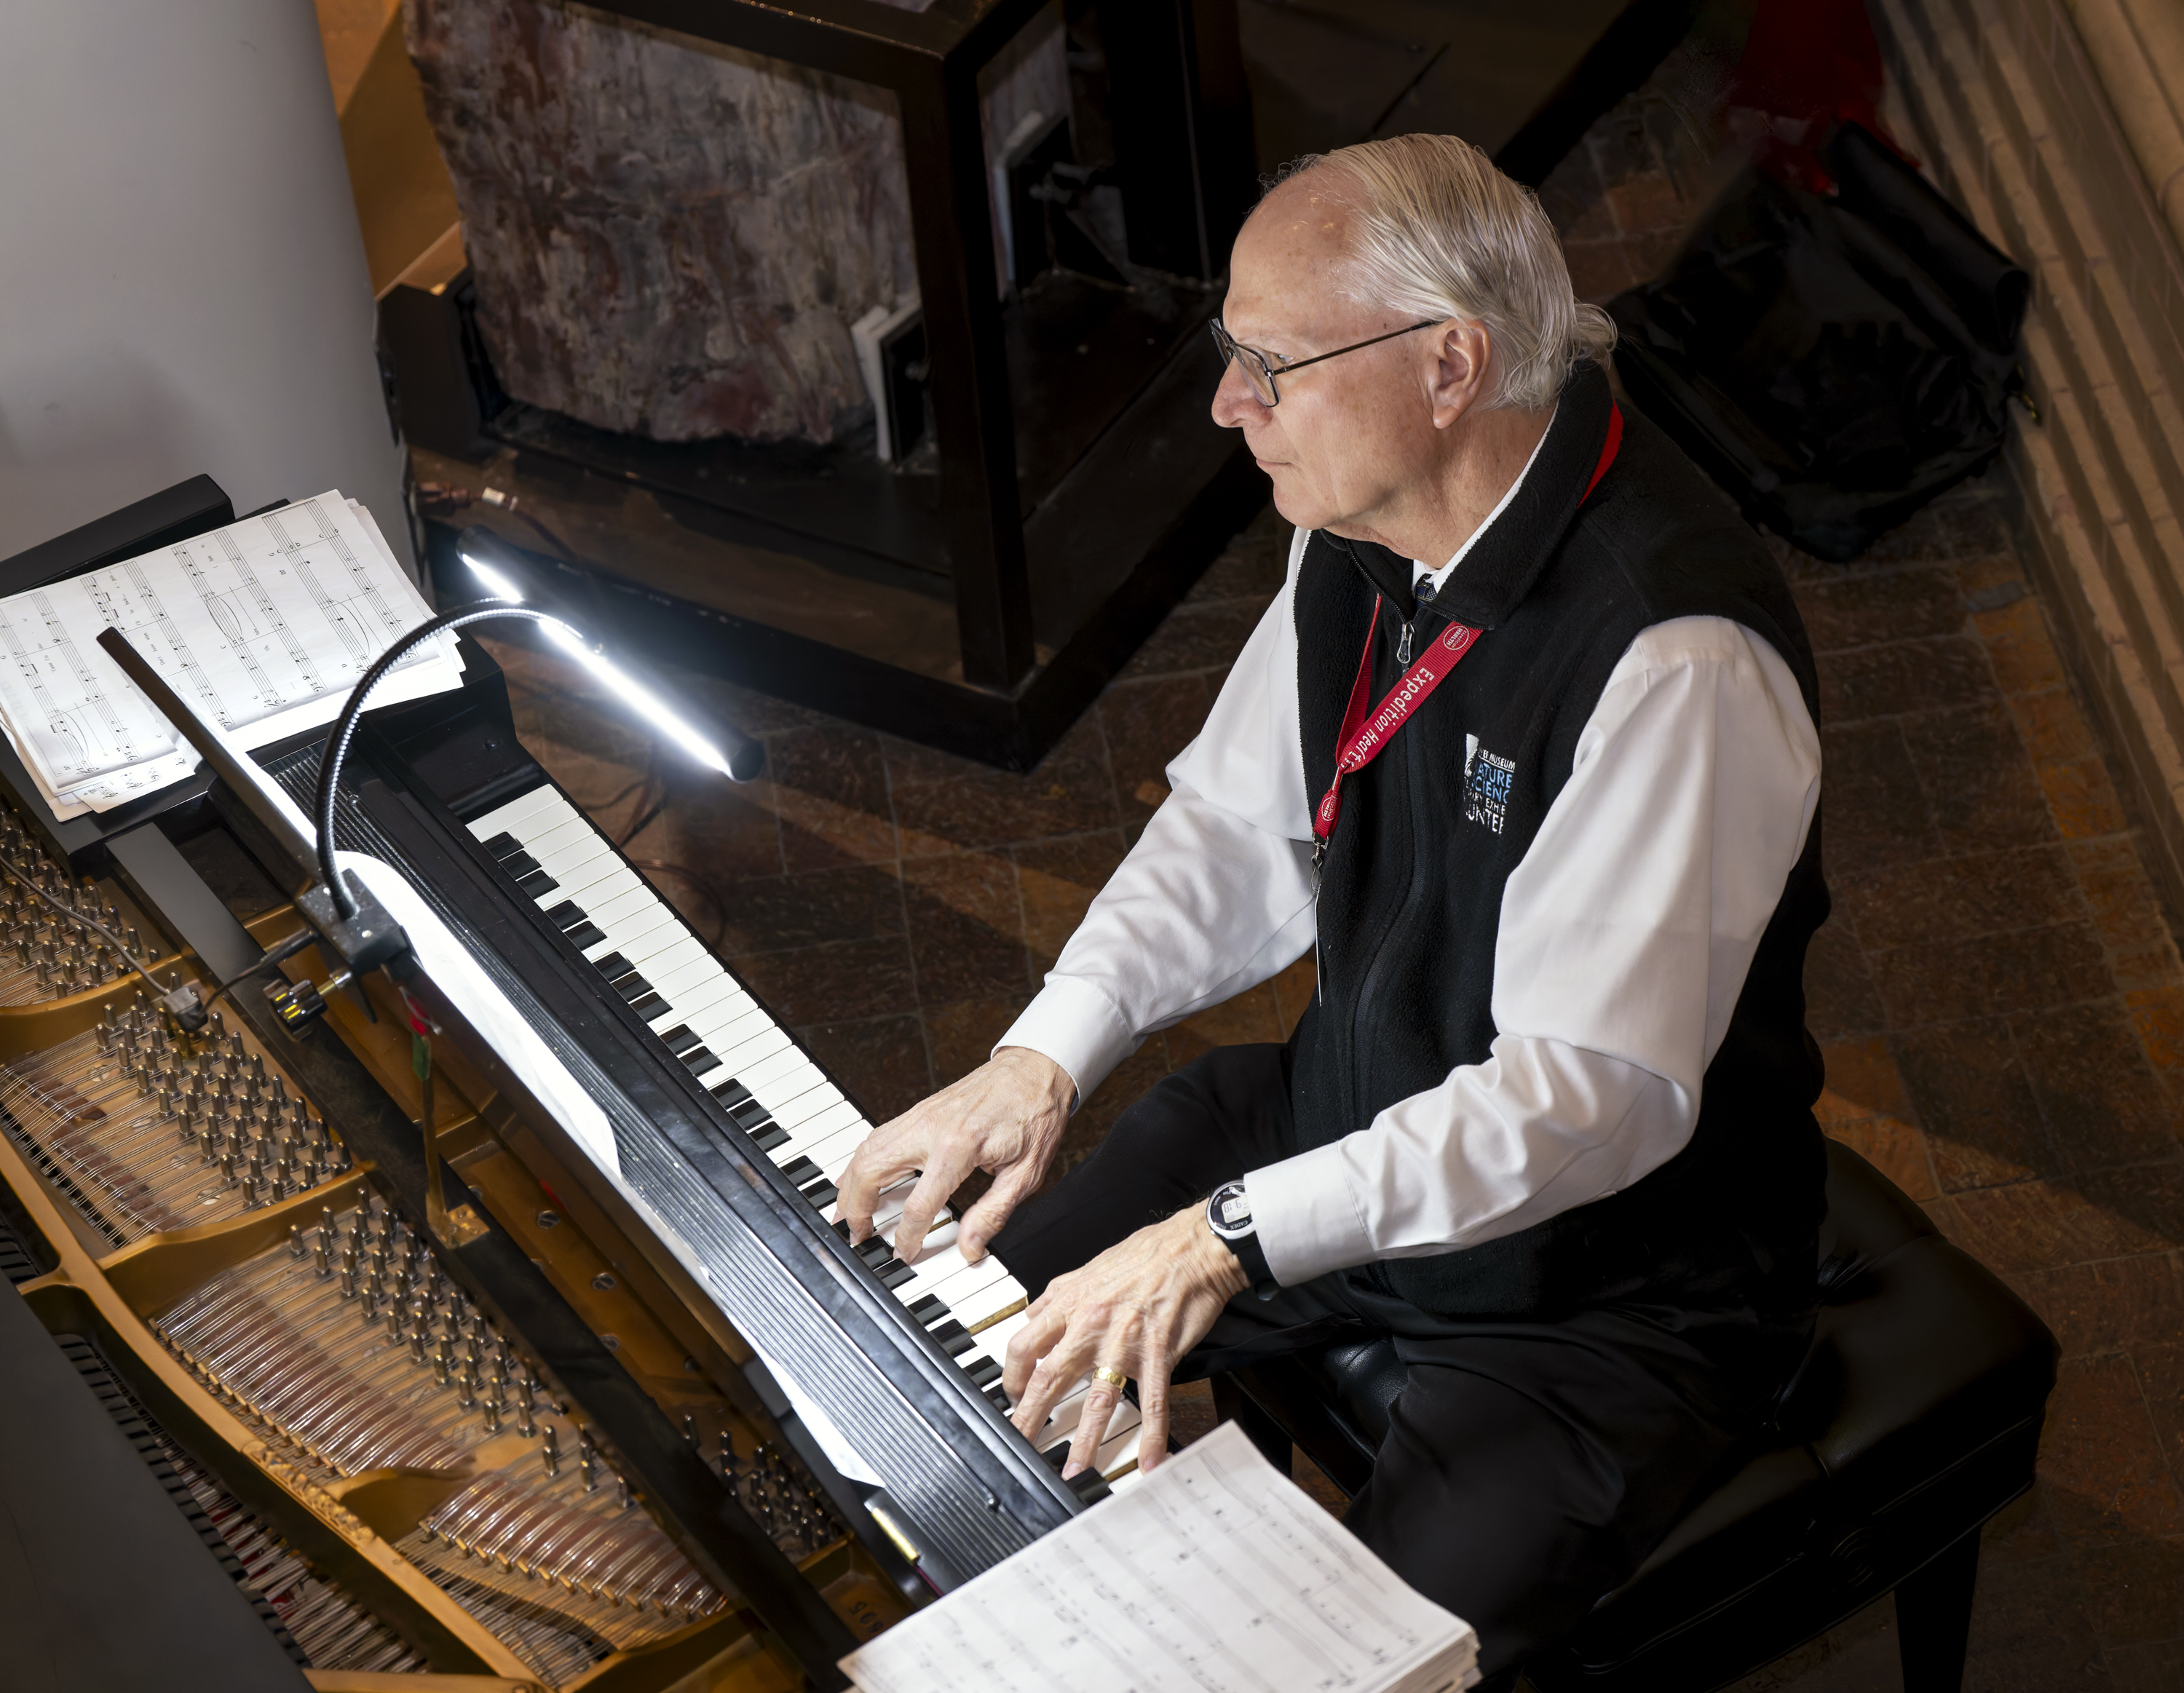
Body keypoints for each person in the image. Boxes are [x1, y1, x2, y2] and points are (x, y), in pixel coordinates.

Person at [838, 133, 1829, 1682]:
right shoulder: (1359, 519)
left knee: (1337, 1673)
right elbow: (1241, 826)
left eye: (1270, 364)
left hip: (1600, 1295)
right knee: (930, 1381)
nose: (1229, 402)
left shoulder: (1673, 656)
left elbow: (1587, 1098)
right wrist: (1041, 1055)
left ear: (1450, 366)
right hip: (1335, 1117)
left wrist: (1228, 1239)